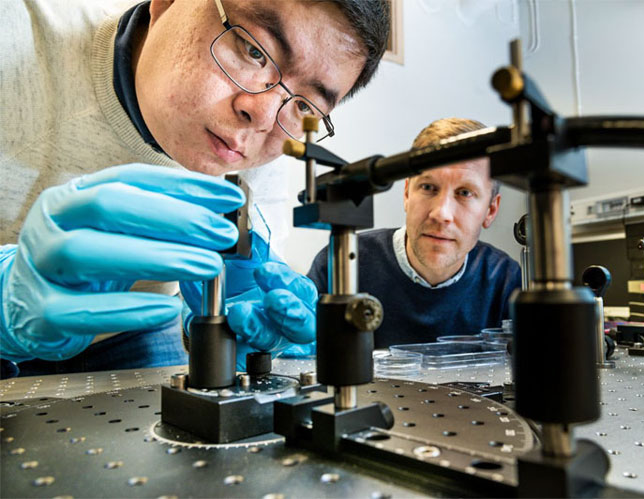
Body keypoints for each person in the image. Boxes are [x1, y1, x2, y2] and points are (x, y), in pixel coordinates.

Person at [0, 0, 390, 376]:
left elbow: (241, 301)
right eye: (255, 51)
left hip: (138, 327)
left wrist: (229, 318)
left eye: (305, 106)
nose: (263, 116)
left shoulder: (260, 156)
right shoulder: (15, 30)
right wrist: (6, 300)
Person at [307, 118, 522, 348]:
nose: (442, 214)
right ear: (407, 193)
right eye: (429, 187)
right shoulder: (341, 263)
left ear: (490, 210)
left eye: (465, 193)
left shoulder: (505, 280)